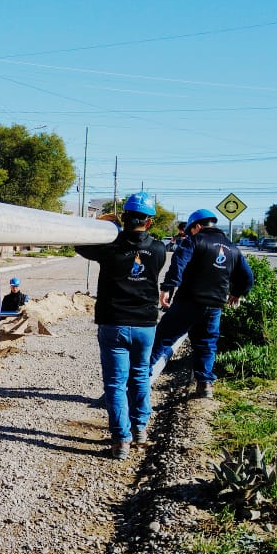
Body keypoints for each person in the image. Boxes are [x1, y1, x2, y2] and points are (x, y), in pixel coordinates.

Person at [75, 192, 167, 460]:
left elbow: (79, 243)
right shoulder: (159, 249)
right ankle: (139, 430)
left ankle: (120, 441)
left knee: (115, 384)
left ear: (124, 217)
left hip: (113, 323)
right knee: (139, 376)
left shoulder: (109, 246)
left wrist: (107, 225)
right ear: (149, 222)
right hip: (145, 325)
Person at [149, 208, 254, 399]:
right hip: (215, 305)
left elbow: (178, 263)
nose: (188, 234)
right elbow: (247, 277)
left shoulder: (194, 241)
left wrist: (168, 287)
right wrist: (237, 293)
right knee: (207, 343)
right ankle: (205, 384)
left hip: (189, 301)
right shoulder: (233, 248)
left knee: (164, 337)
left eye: (190, 230)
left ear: (197, 226)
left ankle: (141, 376)